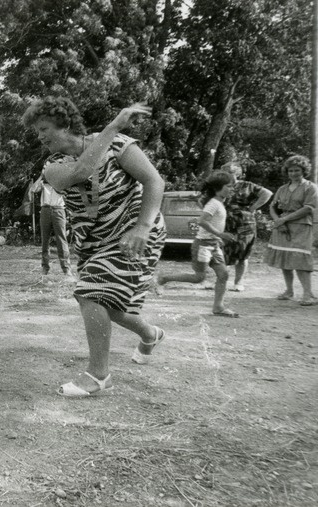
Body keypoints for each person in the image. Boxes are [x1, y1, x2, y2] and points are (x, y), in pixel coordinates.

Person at [22, 97, 167, 397]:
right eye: (37, 131)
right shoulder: (52, 167)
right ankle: (149, 333)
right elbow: (80, 173)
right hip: (94, 241)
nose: (40, 136)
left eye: (44, 128)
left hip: (135, 231)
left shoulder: (121, 146)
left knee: (91, 293)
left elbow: (155, 182)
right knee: (108, 306)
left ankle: (99, 375)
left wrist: (143, 226)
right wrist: (113, 125)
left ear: (65, 125)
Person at [157, 171, 239, 317]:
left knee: (223, 274)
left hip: (213, 245)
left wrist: (217, 238)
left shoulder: (219, 202)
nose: (232, 189)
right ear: (218, 188)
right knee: (199, 277)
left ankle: (218, 307)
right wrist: (220, 234)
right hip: (203, 246)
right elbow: (202, 221)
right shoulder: (214, 204)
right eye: (229, 186)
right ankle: (165, 278)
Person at [264, 155, 318, 306]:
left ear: (304, 171)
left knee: (300, 259)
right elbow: (272, 207)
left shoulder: (310, 187)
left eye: (297, 170)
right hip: (281, 228)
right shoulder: (282, 189)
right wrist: (277, 221)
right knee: (285, 258)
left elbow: (309, 208)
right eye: (290, 171)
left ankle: (309, 294)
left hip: (301, 226)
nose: (293, 173)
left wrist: (284, 219)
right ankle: (289, 291)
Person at [221, 162, 273, 291]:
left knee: (243, 253)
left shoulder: (247, 185)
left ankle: (238, 282)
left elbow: (267, 193)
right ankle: (221, 281)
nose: (227, 175)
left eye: (230, 172)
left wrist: (254, 207)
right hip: (225, 223)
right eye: (224, 172)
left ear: (237, 173)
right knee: (223, 252)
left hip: (245, 223)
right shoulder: (220, 187)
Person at [29, 173, 74, 280]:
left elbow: (69, 192)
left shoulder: (62, 182)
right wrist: (41, 176)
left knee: (62, 239)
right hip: (45, 210)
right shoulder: (43, 183)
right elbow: (33, 189)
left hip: (59, 209)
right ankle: (45, 267)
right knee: (45, 240)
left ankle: (66, 268)